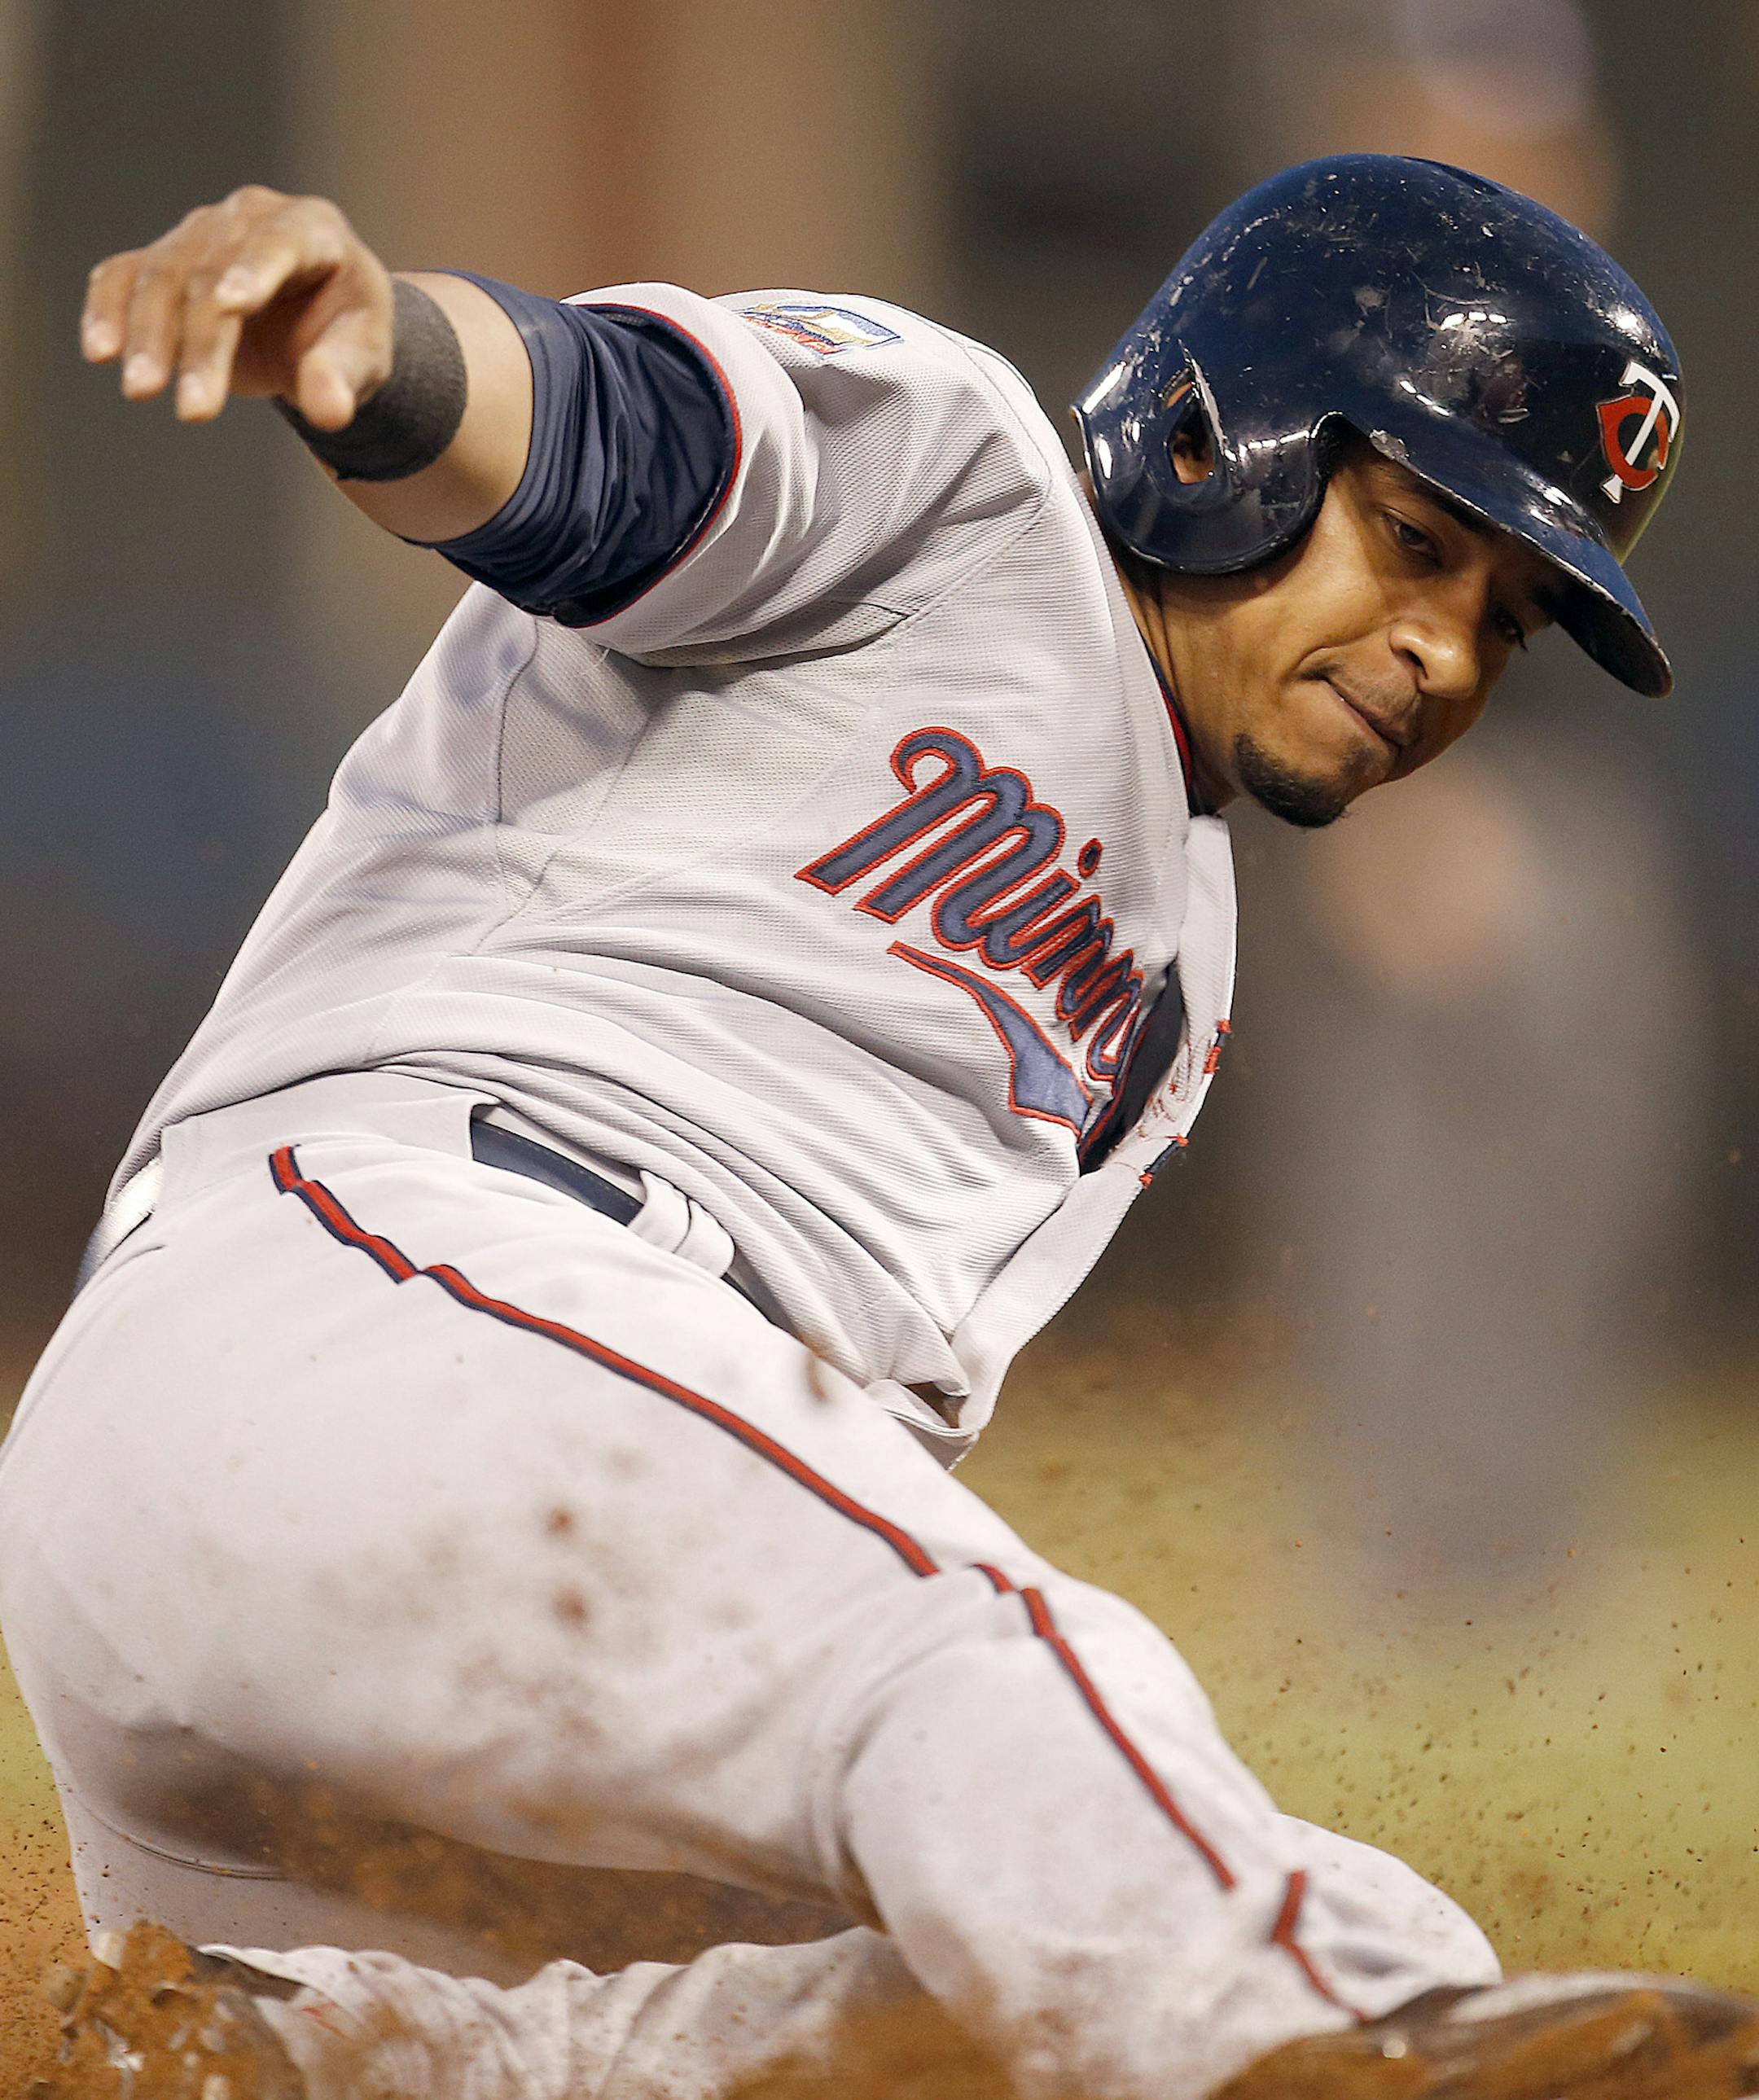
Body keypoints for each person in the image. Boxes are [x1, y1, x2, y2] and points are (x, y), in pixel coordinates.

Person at [2, 155, 1748, 2100]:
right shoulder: (963, 482)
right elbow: (601, 445)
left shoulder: (1182, 976)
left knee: (1234, 1944)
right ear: (1221, 427)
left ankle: (316, 2055)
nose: (1448, 655)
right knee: (1026, 1707)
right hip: (360, 1321)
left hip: (494, 1601)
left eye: (1513, 622)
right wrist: (381, 355)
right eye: (1422, 543)